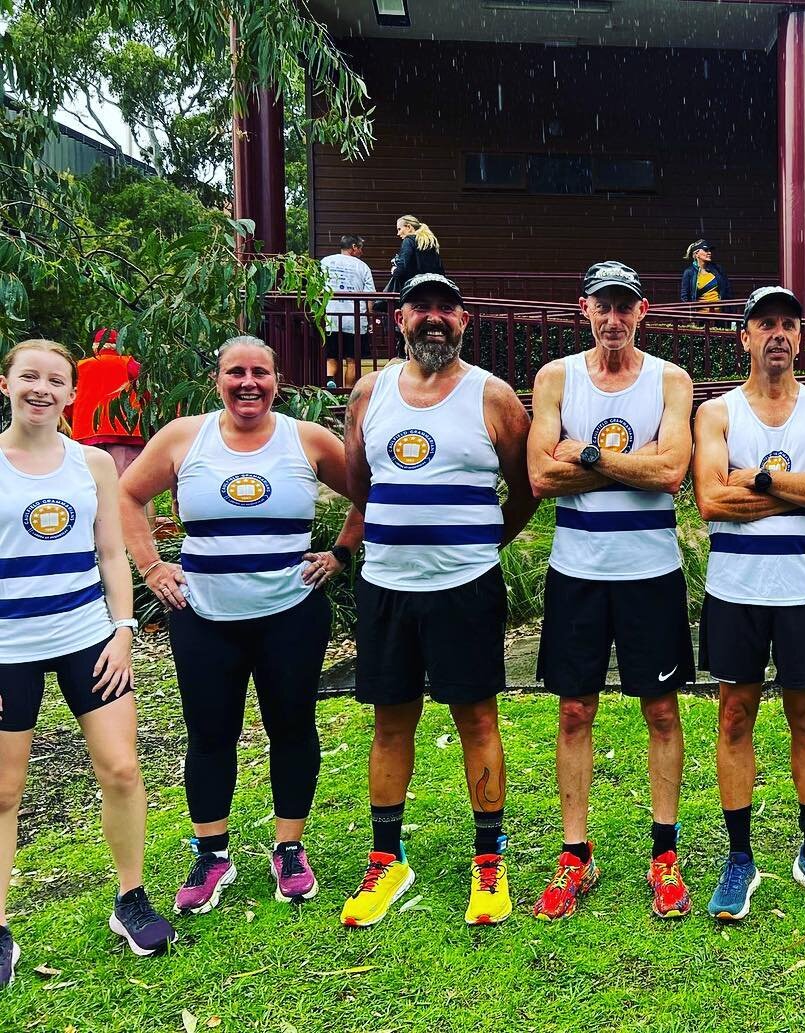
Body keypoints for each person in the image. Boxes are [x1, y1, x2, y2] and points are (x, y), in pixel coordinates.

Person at [119, 336, 363, 917]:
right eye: (236, 373)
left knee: (292, 726)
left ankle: (290, 847)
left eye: (260, 372)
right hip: (203, 615)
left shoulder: (307, 439)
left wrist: (341, 554)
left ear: (277, 380)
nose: (248, 383)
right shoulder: (184, 438)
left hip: (291, 614)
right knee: (210, 733)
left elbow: (372, 495)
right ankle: (211, 854)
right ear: (218, 379)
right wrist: (151, 567)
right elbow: (128, 497)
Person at [339, 273, 536, 928]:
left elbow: (526, 487)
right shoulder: (369, 393)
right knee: (391, 723)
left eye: (445, 308)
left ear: (464, 320)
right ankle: (386, 857)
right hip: (388, 586)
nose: (433, 318)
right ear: (398, 319)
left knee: (477, 721)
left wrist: (486, 542)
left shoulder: (495, 397)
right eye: (420, 306)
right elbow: (358, 482)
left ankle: (489, 860)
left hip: (465, 586)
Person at [0, 340, 175, 984]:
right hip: (6, 648)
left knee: (123, 770)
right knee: (3, 791)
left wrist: (123, 631)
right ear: (6, 384)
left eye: (54, 381)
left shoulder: (94, 464)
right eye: (29, 378)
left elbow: (109, 557)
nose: (41, 389)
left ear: (73, 394)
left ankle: (130, 900)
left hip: (86, 636)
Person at [527, 261, 696, 921]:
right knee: (575, 712)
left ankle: (665, 854)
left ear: (643, 311)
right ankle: (576, 854)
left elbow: (674, 472)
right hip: (580, 570)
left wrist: (589, 455)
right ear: (585, 309)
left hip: (650, 572)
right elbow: (541, 477)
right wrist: (636, 465)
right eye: (604, 306)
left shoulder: (669, 381)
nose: (614, 318)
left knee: (661, 712)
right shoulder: (556, 378)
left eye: (626, 307)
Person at [692, 286, 805, 921]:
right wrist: (801, 492)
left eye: (789, 324)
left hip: (803, 591)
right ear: (746, 337)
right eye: (766, 324)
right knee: (734, 717)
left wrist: (758, 479)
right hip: (736, 592)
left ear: (801, 338)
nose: (779, 334)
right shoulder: (718, 413)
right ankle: (740, 859)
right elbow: (710, 500)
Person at [70, 329, 152, 526]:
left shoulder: (79, 367)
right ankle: (147, 535)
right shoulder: (130, 364)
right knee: (135, 488)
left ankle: (98, 537)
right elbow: (148, 395)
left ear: (94, 347)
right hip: (126, 432)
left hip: (86, 434)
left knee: (92, 487)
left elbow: (68, 402)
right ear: (119, 345)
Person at [321, 234, 375, 389]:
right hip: (354, 320)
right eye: (360, 249)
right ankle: (348, 393)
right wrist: (369, 318)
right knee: (352, 360)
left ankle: (330, 381)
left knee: (331, 358)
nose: (361, 252)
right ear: (354, 247)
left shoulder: (325, 262)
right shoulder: (362, 266)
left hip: (331, 317)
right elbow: (369, 296)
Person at [383, 215, 444, 295]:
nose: (398, 233)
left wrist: (394, 270)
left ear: (408, 227)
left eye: (399, 229)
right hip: (433, 289)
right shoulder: (430, 242)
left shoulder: (408, 241)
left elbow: (401, 270)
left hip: (414, 291)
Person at [679, 240, 731, 306]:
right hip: (701, 314)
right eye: (706, 250)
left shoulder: (718, 269)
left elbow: (727, 291)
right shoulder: (689, 272)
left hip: (719, 313)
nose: (709, 253)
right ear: (696, 254)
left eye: (710, 250)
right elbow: (685, 297)